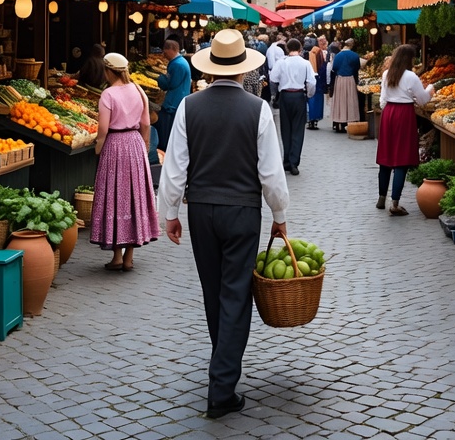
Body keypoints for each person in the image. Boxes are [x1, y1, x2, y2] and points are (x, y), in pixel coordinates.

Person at [157, 30, 289, 420]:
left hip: (201, 210)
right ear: (243, 69)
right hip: (243, 211)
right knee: (234, 294)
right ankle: (222, 385)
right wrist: (279, 216)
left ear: (210, 68)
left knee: (213, 291)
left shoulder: (188, 106)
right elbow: (271, 173)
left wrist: (170, 212)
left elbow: (175, 165)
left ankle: (222, 369)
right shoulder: (258, 109)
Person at [89, 52, 160, 270]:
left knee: (115, 196)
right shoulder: (139, 90)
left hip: (115, 145)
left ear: (109, 71)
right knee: (133, 196)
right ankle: (129, 257)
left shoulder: (108, 95)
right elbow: (146, 123)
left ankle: (117, 255)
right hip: (135, 144)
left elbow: (103, 128)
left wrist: (99, 148)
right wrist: (145, 145)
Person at [376, 44, 434, 216]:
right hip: (404, 115)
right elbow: (423, 100)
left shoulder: (387, 74)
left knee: (386, 157)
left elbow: (382, 100)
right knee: (401, 159)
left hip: (388, 114)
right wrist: (430, 89)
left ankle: (381, 198)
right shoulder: (411, 77)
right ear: (410, 59)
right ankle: (394, 203)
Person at [269, 37, 316, 176]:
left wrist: (275, 93)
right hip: (299, 95)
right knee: (298, 129)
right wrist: (309, 95)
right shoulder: (305, 63)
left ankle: (286, 161)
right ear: (300, 49)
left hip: (285, 95)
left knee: (286, 128)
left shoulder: (281, 62)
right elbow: (312, 83)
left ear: (287, 49)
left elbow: (273, 79)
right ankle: (294, 162)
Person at [156, 39, 192, 151]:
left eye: (165, 52)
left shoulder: (177, 65)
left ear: (171, 50)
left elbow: (170, 84)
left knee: (166, 132)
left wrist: (160, 78)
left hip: (173, 104)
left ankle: (165, 151)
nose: (164, 55)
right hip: (177, 101)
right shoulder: (180, 62)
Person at [329, 38, 370, 133]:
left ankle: (341, 120)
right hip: (350, 79)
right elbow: (357, 68)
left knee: (341, 100)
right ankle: (350, 119)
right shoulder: (355, 56)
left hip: (340, 80)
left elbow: (334, 68)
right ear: (352, 45)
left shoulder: (338, 56)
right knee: (350, 99)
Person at [307, 36, 330, 129]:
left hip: (313, 78)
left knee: (311, 99)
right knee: (319, 100)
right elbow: (323, 66)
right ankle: (316, 119)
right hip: (319, 79)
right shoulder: (319, 52)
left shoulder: (312, 52)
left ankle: (311, 119)